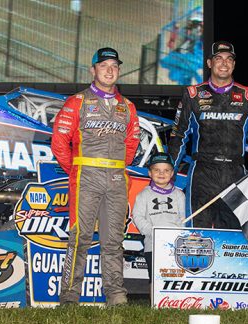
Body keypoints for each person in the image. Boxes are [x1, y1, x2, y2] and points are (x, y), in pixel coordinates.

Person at [51, 47, 140, 307]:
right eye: (104, 65)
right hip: (85, 177)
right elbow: (59, 143)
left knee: (114, 240)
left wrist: (116, 168)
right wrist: (77, 170)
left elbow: (132, 143)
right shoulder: (76, 101)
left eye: (114, 65)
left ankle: (116, 295)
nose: (110, 70)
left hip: (116, 179)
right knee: (80, 237)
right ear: (93, 70)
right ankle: (69, 296)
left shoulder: (128, 107)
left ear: (119, 70)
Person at [169, 41, 248, 229]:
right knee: (198, 233)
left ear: (234, 64)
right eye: (218, 59)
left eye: (229, 59)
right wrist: (170, 166)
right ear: (209, 63)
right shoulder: (193, 94)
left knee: (234, 236)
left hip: (236, 172)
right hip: (202, 172)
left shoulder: (247, 95)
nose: (224, 63)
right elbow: (178, 134)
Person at [132, 152, 186, 284]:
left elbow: (184, 217)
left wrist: (176, 233)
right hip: (153, 244)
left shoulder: (179, 194)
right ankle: (155, 304)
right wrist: (154, 233)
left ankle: (174, 302)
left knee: (176, 278)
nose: (161, 174)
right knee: (155, 280)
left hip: (176, 245)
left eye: (166, 170)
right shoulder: (143, 195)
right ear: (150, 173)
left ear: (172, 173)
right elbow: (137, 217)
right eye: (157, 170)